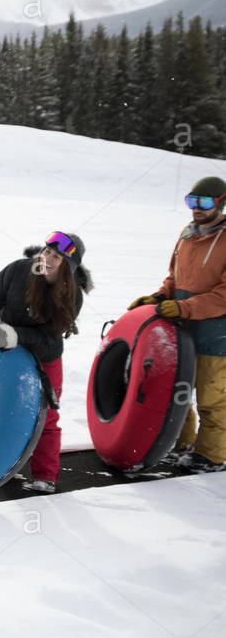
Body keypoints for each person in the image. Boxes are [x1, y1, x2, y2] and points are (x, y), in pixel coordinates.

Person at [0, 232, 92, 493]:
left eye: (57, 257)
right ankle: (4, 468)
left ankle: (45, 477)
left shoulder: (72, 295)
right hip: (4, 350)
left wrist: (15, 335)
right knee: (3, 409)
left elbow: (51, 335)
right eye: (47, 251)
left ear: (68, 267)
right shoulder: (18, 269)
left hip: (44, 355)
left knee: (45, 417)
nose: (48, 258)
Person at [129, 176, 226, 473]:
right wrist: (158, 297)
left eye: (204, 202)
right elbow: (175, 278)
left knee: (211, 397)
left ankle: (212, 456)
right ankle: (182, 442)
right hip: (182, 330)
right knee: (178, 391)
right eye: (191, 201)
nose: (196, 208)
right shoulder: (186, 234)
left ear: (220, 202)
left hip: (215, 334)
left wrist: (183, 307)